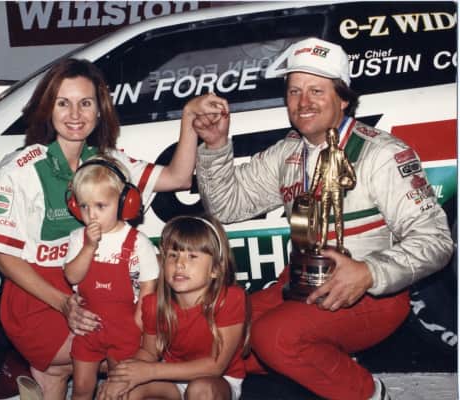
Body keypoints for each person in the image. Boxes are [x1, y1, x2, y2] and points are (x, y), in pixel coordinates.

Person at [188, 37, 454, 399]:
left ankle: (370, 393)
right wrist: (216, 146)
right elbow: (226, 207)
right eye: (294, 91)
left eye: (316, 90)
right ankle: (323, 368)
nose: (303, 102)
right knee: (216, 334)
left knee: (273, 338)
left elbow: (436, 241)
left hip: (372, 294)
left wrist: (369, 272)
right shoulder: (288, 152)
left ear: (342, 98)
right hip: (299, 283)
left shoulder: (382, 154)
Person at [0, 58, 206, 399]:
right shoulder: (20, 168)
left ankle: (42, 375)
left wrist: (188, 120)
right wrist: (64, 303)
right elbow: (2, 255)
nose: (75, 114)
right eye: (63, 103)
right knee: (127, 354)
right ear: (48, 108)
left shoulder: (108, 161)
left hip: (93, 291)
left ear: (100, 110)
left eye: (85, 103)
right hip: (38, 297)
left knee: (80, 363)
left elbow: (179, 177)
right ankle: (41, 368)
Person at [97, 215, 248, 400]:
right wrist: (122, 378)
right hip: (172, 378)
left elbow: (215, 366)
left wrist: (151, 371)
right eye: (173, 255)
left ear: (215, 269)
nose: (179, 264)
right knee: (125, 392)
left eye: (192, 256)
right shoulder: (154, 304)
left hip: (217, 380)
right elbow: (149, 353)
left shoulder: (229, 299)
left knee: (201, 390)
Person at [63, 155, 159, 400]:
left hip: (124, 328)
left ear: (124, 202)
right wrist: (88, 247)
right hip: (88, 327)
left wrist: (138, 322)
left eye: (100, 206)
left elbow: (148, 285)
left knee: (120, 388)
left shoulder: (137, 242)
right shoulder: (78, 238)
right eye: (84, 206)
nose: (91, 215)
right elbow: (71, 276)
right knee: (82, 388)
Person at [310, 127, 356, 253]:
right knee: (323, 217)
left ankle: (340, 244)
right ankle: (322, 242)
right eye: (329, 137)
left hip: (336, 190)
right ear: (326, 139)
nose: (331, 139)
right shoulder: (322, 154)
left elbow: (350, 170)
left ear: (337, 138)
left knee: (338, 217)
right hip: (325, 189)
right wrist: (311, 191)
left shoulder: (341, 153)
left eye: (333, 137)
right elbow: (317, 173)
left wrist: (351, 181)